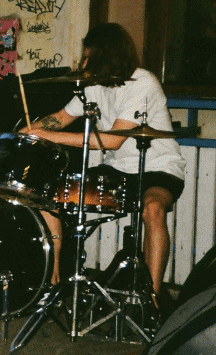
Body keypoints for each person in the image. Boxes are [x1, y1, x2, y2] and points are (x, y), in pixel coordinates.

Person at [23, 23, 185, 306]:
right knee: (48, 195)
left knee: (153, 208)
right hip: (118, 168)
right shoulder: (94, 85)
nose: (84, 63)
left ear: (105, 56)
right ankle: (53, 284)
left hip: (159, 166)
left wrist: (47, 135)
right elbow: (61, 117)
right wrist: (26, 132)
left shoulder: (142, 82)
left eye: (88, 57)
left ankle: (153, 299)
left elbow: (111, 140)